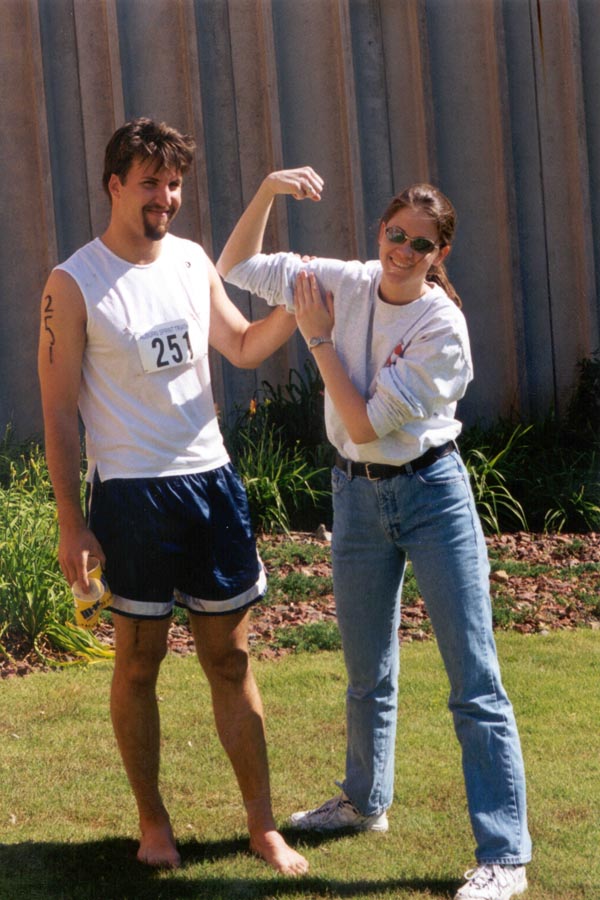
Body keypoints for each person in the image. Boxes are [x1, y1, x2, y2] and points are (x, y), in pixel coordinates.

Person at [216, 167, 532, 900]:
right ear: (380, 231)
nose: (402, 251)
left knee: (475, 681)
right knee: (366, 671)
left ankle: (505, 856)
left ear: (439, 254)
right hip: (355, 498)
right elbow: (236, 267)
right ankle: (364, 803)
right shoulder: (347, 280)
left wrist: (317, 339)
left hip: (431, 496)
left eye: (420, 244)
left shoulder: (441, 331)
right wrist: (267, 190)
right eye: (395, 234)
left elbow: (362, 424)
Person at [37, 119, 309, 876]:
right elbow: (57, 413)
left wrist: (301, 307)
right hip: (130, 497)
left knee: (231, 659)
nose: (166, 196)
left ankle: (262, 827)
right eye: (150, 182)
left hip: (210, 486)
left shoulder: (191, 261)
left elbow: (243, 346)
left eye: (175, 183)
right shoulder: (73, 282)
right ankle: (153, 824)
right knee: (138, 664)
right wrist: (71, 522)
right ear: (115, 185)